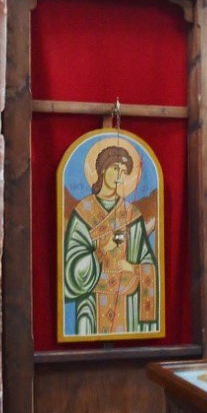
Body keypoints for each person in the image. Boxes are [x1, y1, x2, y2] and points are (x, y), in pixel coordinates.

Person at [61, 143, 159, 337]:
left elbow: (148, 263)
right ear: (103, 169)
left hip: (126, 301)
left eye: (123, 171)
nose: (119, 176)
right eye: (115, 168)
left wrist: (132, 267)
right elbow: (72, 268)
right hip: (92, 301)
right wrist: (103, 249)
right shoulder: (84, 213)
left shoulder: (131, 214)